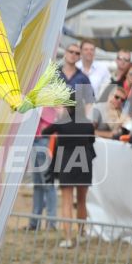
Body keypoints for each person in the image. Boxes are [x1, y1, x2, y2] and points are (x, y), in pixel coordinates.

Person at [48, 50, 99, 248]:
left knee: (67, 200)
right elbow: (91, 141)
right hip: (84, 161)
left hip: (67, 160)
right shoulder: (87, 124)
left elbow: (46, 131)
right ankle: (81, 233)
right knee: (82, 199)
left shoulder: (61, 124)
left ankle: (68, 238)